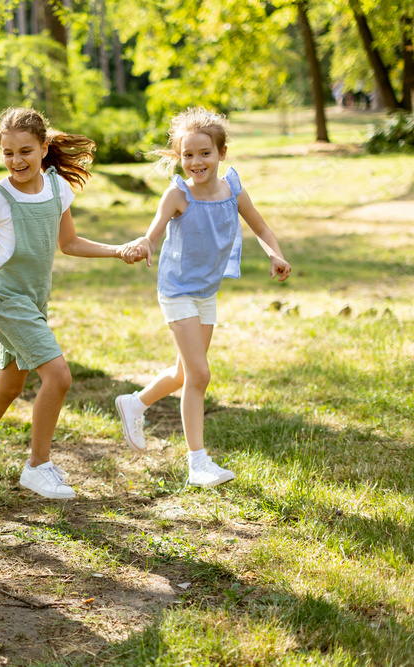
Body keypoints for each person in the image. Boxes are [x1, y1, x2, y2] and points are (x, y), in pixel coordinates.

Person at [0, 106, 144, 500]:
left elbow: (68, 243)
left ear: (43, 148)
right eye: (8, 153)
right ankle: (38, 465)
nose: (16, 160)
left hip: (34, 301)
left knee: (8, 388)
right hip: (5, 299)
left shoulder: (57, 189)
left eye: (25, 151)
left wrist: (117, 250)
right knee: (59, 376)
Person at [116, 107, 291, 487]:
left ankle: (136, 402)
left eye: (205, 153)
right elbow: (154, 233)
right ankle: (198, 462)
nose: (196, 161)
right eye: (188, 155)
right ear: (180, 159)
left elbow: (260, 226)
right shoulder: (177, 195)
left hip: (206, 293)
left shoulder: (233, 189)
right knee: (200, 374)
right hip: (176, 291)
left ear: (221, 154)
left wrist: (274, 253)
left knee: (184, 373)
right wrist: (143, 244)